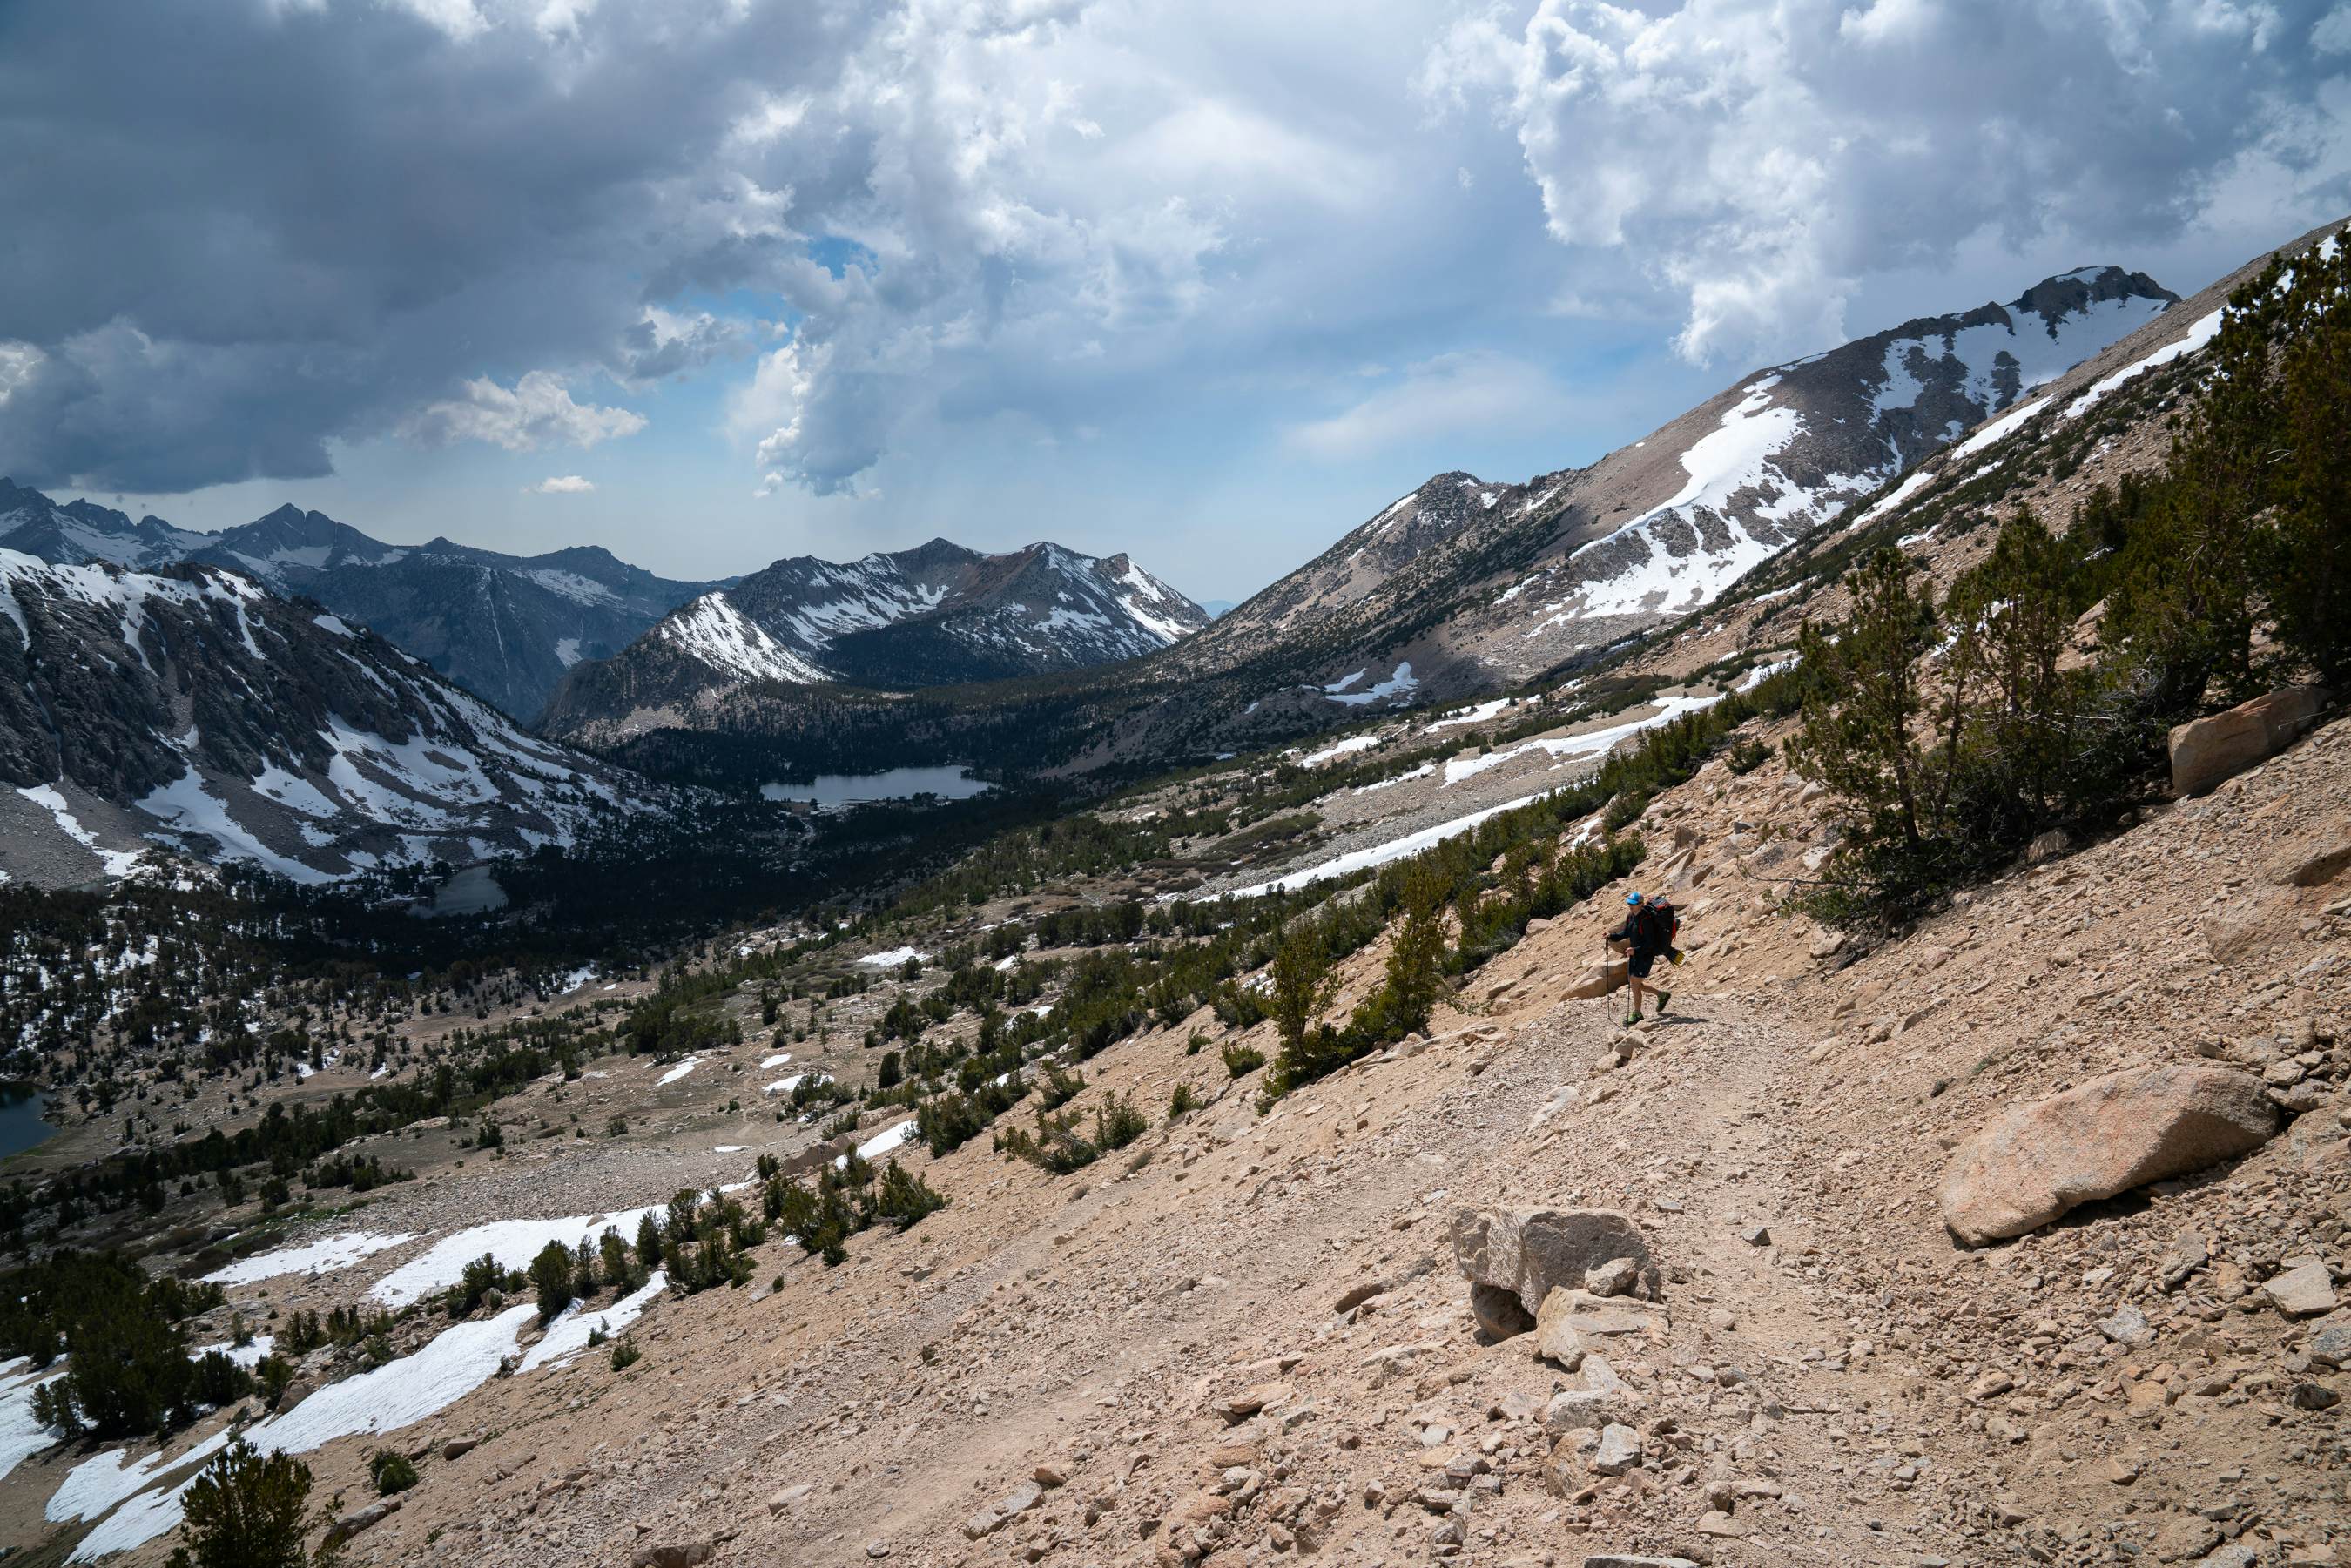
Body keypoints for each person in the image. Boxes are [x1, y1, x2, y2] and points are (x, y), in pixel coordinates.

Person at [1606, 891, 1677, 1026]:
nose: (1630, 906)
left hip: (1645, 955)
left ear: (1641, 904)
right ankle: (1662, 995)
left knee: (1634, 984)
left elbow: (1649, 944)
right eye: (1629, 903)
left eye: (1633, 904)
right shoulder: (1630, 916)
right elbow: (1626, 933)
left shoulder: (1646, 920)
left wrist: (1635, 950)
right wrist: (1611, 936)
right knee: (1636, 983)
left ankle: (1637, 1014)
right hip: (1635, 954)